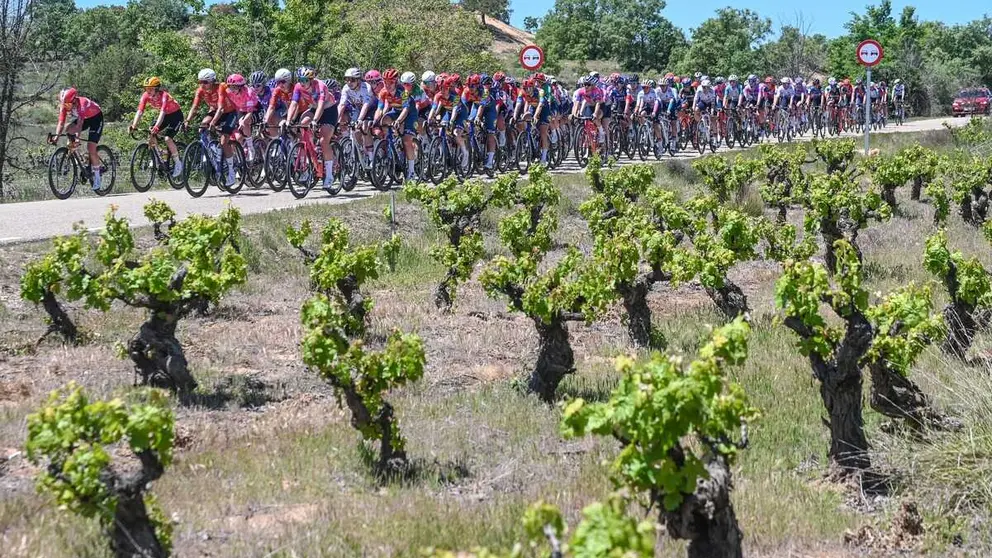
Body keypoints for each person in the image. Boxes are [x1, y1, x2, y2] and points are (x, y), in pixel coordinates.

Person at [50, 88, 104, 191]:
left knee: (91, 148)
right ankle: (80, 157)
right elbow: (61, 123)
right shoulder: (64, 106)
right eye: (64, 104)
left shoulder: (82, 104)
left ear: (74, 100)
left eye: (68, 104)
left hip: (96, 119)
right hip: (85, 119)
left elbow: (79, 125)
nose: (66, 106)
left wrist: (77, 139)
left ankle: (97, 177)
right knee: (68, 128)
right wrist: (56, 137)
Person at [129, 76, 184, 178]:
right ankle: (157, 157)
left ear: (157, 88)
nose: (148, 91)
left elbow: (162, 113)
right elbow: (140, 111)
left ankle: (178, 163)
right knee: (151, 131)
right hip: (165, 116)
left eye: (150, 88)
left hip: (176, 116)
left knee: (168, 138)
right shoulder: (145, 96)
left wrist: (157, 127)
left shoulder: (164, 96)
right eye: (146, 88)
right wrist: (134, 125)